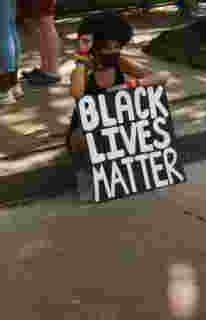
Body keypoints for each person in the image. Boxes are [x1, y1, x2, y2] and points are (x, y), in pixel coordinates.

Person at [65, 13, 169, 199]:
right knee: (82, 138)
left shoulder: (119, 62)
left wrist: (131, 85)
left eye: (117, 46)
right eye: (107, 47)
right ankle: (89, 178)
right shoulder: (84, 68)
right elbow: (77, 93)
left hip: (115, 125)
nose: (112, 51)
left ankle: (133, 173)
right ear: (96, 46)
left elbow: (162, 76)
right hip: (88, 129)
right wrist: (81, 57)